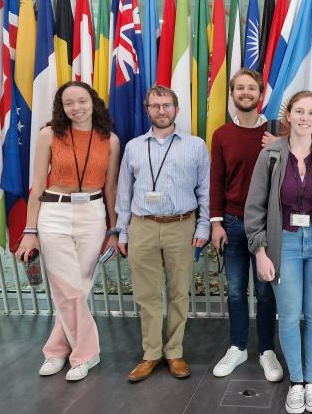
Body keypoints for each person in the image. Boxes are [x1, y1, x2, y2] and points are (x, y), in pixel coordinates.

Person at [244, 91, 312, 414]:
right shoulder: (272, 155)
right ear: (289, 116)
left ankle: (311, 382)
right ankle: (296, 382)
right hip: (285, 244)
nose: (305, 118)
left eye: (311, 112)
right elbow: (255, 208)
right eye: (299, 112)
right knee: (290, 316)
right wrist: (261, 251)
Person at [15, 81, 120, 381]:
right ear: (62, 107)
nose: (76, 107)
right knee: (66, 287)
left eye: (81, 101)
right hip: (54, 213)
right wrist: (29, 230)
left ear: (93, 102)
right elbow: (37, 185)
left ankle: (56, 350)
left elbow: (110, 188)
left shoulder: (110, 140)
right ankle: (87, 355)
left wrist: (114, 229)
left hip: (93, 213)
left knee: (78, 288)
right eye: (69, 103)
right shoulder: (49, 134)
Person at [116, 86, 210, 382]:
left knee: (179, 292)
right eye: (155, 106)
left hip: (181, 225)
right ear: (147, 110)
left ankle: (174, 352)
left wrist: (204, 224)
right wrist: (122, 232)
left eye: (167, 105)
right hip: (142, 225)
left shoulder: (195, 145)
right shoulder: (133, 147)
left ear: (176, 109)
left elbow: (205, 190)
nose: (161, 110)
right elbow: (124, 192)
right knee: (147, 295)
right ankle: (151, 354)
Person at [210, 69, 283, 382]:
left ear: (260, 95)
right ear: (233, 94)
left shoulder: (279, 132)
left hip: (269, 225)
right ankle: (238, 347)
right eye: (239, 88)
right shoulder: (222, 135)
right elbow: (215, 182)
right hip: (234, 222)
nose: (245, 93)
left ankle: (267, 349)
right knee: (237, 291)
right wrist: (215, 223)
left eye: (251, 88)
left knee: (267, 292)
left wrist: (283, 145)